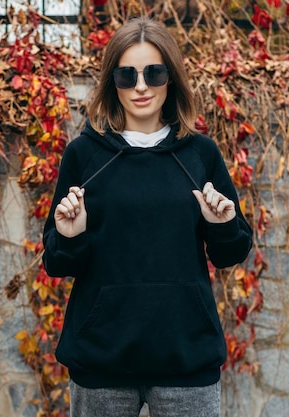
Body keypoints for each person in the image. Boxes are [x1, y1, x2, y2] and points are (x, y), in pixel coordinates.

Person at [42, 16, 253, 417]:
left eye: (154, 73)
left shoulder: (199, 154)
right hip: (101, 360)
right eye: (127, 75)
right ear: (112, 82)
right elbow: (57, 261)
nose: (141, 86)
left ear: (171, 78)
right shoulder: (84, 155)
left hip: (185, 357)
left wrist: (223, 226)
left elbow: (230, 252)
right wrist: (71, 235)